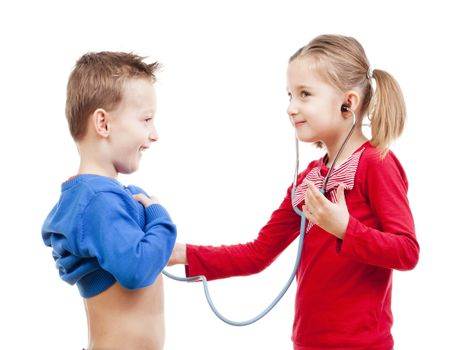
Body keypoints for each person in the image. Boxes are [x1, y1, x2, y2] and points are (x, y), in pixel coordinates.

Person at [169, 34, 420, 350]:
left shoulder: (376, 163)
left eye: (305, 94)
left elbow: (406, 251)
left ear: (349, 102)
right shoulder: (308, 180)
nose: (291, 107)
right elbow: (258, 253)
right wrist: (182, 253)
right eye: (289, 95)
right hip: (307, 343)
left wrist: (345, 230)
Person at [42, 52, 177, 350]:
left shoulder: (101, 197)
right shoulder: (97, 200)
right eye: (146, 119)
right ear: (102, 123)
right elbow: (137, 269)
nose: (154, 134)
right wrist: (160, 217)